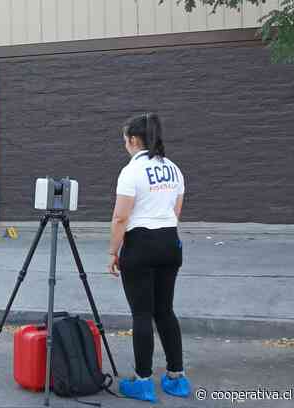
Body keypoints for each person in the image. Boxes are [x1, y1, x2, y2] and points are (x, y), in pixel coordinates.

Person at [108, 113, 191, 402]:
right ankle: (176, 378)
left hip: (140, 244)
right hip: (170, 242)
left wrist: (113, 251)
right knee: (165, 310)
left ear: (133, 140)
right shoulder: (173, 169)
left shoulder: (131, 171)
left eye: (125, 141)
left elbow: (121, 217)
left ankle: (143, 382)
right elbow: (176, 210)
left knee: (142, 313)